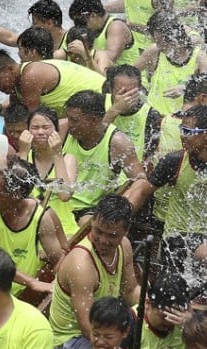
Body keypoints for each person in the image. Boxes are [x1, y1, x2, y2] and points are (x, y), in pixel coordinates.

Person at [49, 195, 139, 349]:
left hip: (105, 328)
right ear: (91, 223)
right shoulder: (81, 264)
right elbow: (87, 328)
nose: (103, 240)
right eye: (98, 231)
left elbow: (130, 292)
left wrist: (153, 307)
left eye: (112, 235)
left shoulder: (124, 246)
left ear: (125, 232)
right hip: (71, 342)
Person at [125, 105, 207, 277]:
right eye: (181, 129)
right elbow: (142, 191)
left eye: (188, 131)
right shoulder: (174, 161)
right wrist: (121, 218)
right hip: (180, 237)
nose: (182, 136)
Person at [0, 157, 68, 296]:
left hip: (23, 294)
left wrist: (58, 280)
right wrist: (33, 282)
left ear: (17, 194)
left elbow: (59, 259)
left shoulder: (40, 217)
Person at [62, 90, 145, 218]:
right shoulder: (61, 130)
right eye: (68, 118)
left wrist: (118, 213)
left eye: (74, 120)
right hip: (59, 203)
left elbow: (140, 181)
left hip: (90, 212)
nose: (69, 124)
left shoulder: (118, 143)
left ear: (94, 120)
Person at [0, 49, 105, 116]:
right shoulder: (18, 81)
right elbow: (15, 111)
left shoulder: (30, 77)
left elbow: (31, 119)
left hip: (104, 103)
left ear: (10, 69)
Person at [18, 107, 80, 237]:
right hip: (30, 224)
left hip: (63, 227)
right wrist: (23, 153)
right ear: (27, 131)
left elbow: (65, 195)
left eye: (46, 127)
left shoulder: (67, 159)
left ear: (56, 131)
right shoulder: (21, 157)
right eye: (35, 128)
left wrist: (57, 154)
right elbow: (17, 193)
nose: (40, 132)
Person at [137, 11, 207, 118]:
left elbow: (204, 86)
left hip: (185, 120)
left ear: (174, 38)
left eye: (160, 42)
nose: (158, 46)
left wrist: (185, 88)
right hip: (155, 118)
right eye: (156, 41)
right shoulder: (154, 51)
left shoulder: (199, 57)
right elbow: (129, 74)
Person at [0, 0, 69, 56]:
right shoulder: (37, 40)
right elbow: (10, 37)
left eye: (35, 23)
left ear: (49, 23)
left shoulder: (72, 38)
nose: (32, 27)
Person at [103, 65, 162, 168]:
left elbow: (151, 157)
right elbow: (92, 137)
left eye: (132, 93)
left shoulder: (151, 115)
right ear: (111, 89)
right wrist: (115, 110)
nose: (127, 98)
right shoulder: (99, 103)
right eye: (122, 92)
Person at [68, 0, 135, 75]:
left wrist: (84, 52)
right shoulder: (93, 29)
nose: (79, 26)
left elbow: (110, 58)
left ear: (92, 15)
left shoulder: (116, 27)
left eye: (80, 21)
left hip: (130, 83)